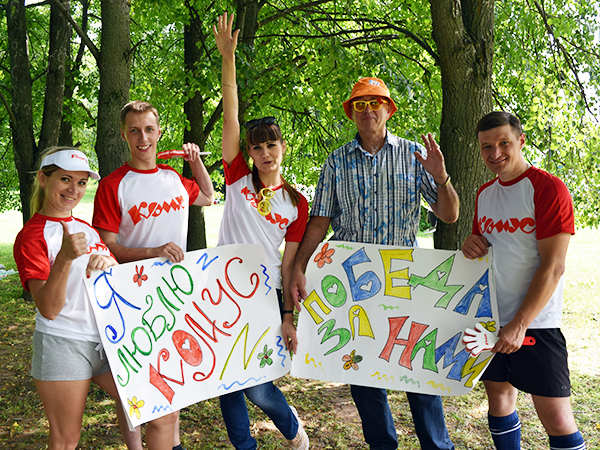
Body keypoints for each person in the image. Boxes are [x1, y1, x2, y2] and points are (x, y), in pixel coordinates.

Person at [290, 77, 460, 450]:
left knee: (418, 368)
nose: (368, 110)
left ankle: (437, 445)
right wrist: (299, 266)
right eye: (360, 104)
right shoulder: (336, 161)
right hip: (354, 285)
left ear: (388, 110)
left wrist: (441, 177)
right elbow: (320, 220)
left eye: (375, 103)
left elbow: (449, 215)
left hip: (403, 281)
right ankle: (382, 445)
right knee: (363, 370)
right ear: (351, 113)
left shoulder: (415, 155)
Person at [92, 100, 215, 450]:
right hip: (132, 298)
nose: (142, 138)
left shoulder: (173, 178)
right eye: (134, 131)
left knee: (171, 377)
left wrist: (196, 160)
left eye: (148, 129)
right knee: (137, 386)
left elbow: (208, 196)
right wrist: (154, 251)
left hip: (175, 296)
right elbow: (106, 247)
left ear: (159, 132)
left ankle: (171, 443)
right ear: (123, 135)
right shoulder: (113, 185)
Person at [212, 12, 309, 450]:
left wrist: (288, 316)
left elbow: (289, 265)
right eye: (257, 146)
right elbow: (230, 113)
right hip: (219, 290)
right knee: (226, 381)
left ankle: (292, 428)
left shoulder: (297, 203)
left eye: (272, 144)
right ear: (248, 152)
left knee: (256, 386)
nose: (266, 152)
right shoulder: (236, 179)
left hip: (265, 297)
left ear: (283, 147)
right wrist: (227, 59)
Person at [461, 111, 585, 450]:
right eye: (487, 146)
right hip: (490, 319)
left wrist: (520, 324)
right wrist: (470, 244)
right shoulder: (484, 194)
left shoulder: (548, 188)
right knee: (499, 401)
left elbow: (554, 266)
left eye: (504, 143)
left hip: (536, 324)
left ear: (521, 141)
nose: (495, 153)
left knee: (557, 419)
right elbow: (483, 247)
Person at [13, 147, 138, 450]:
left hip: (105, 341)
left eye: (81, 182)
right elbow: (49, 308)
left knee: (143, 403)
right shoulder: (32, 235)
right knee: (66, 439)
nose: (74, 190)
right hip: (63, 343)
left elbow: (114, 276)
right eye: (65, 179)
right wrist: (65, 258)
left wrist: (109, 264)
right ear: (43, 179)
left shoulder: (86, 229)